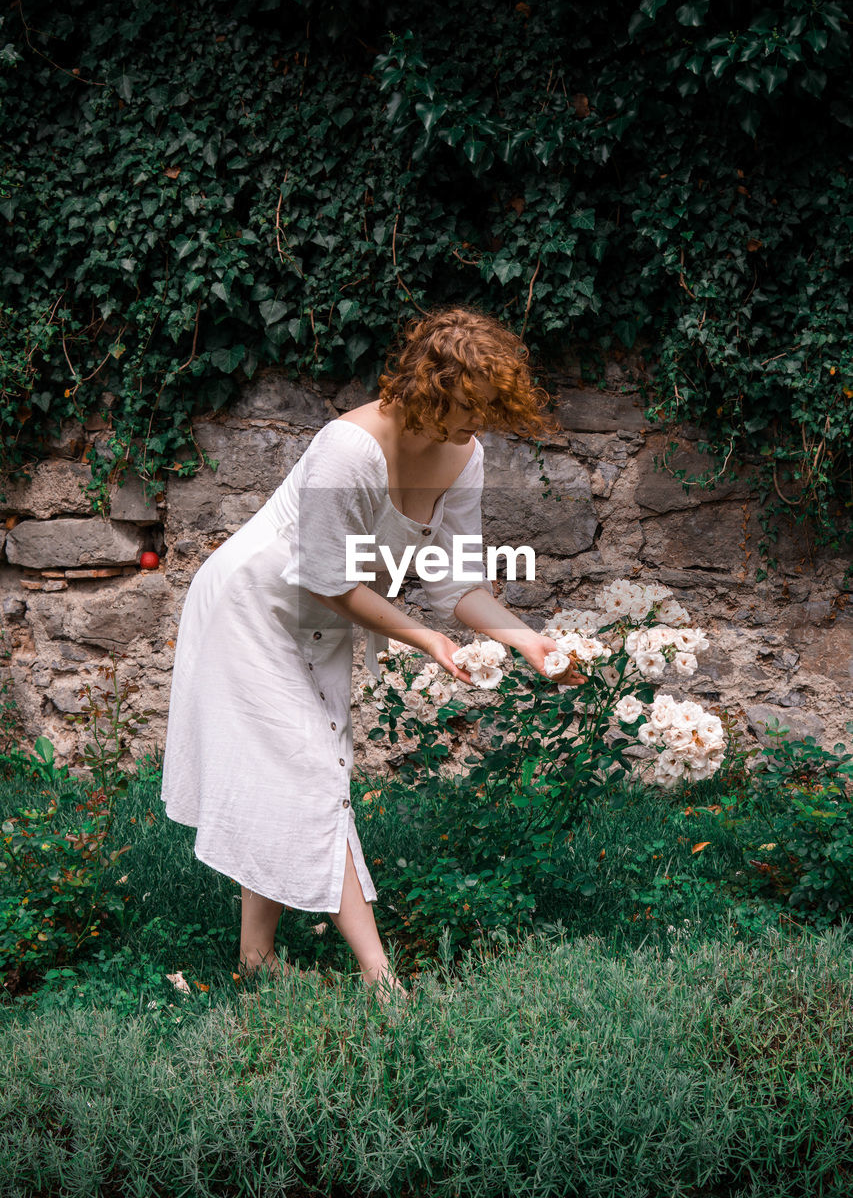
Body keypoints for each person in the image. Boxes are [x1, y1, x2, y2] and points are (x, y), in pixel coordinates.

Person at [161, 304, 582, 1006]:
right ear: (432, 385)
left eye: (487, 410)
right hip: (252, 609)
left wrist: (523, 638)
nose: (475, 426)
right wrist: (423, 639)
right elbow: (327, 578)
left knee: (293, 775)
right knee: (311, 773)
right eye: (466, 407)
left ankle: (255, 960)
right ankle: (381, 979)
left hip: (318, 621)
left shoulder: (464, 454)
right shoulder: (347, 449)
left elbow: (455, 580)